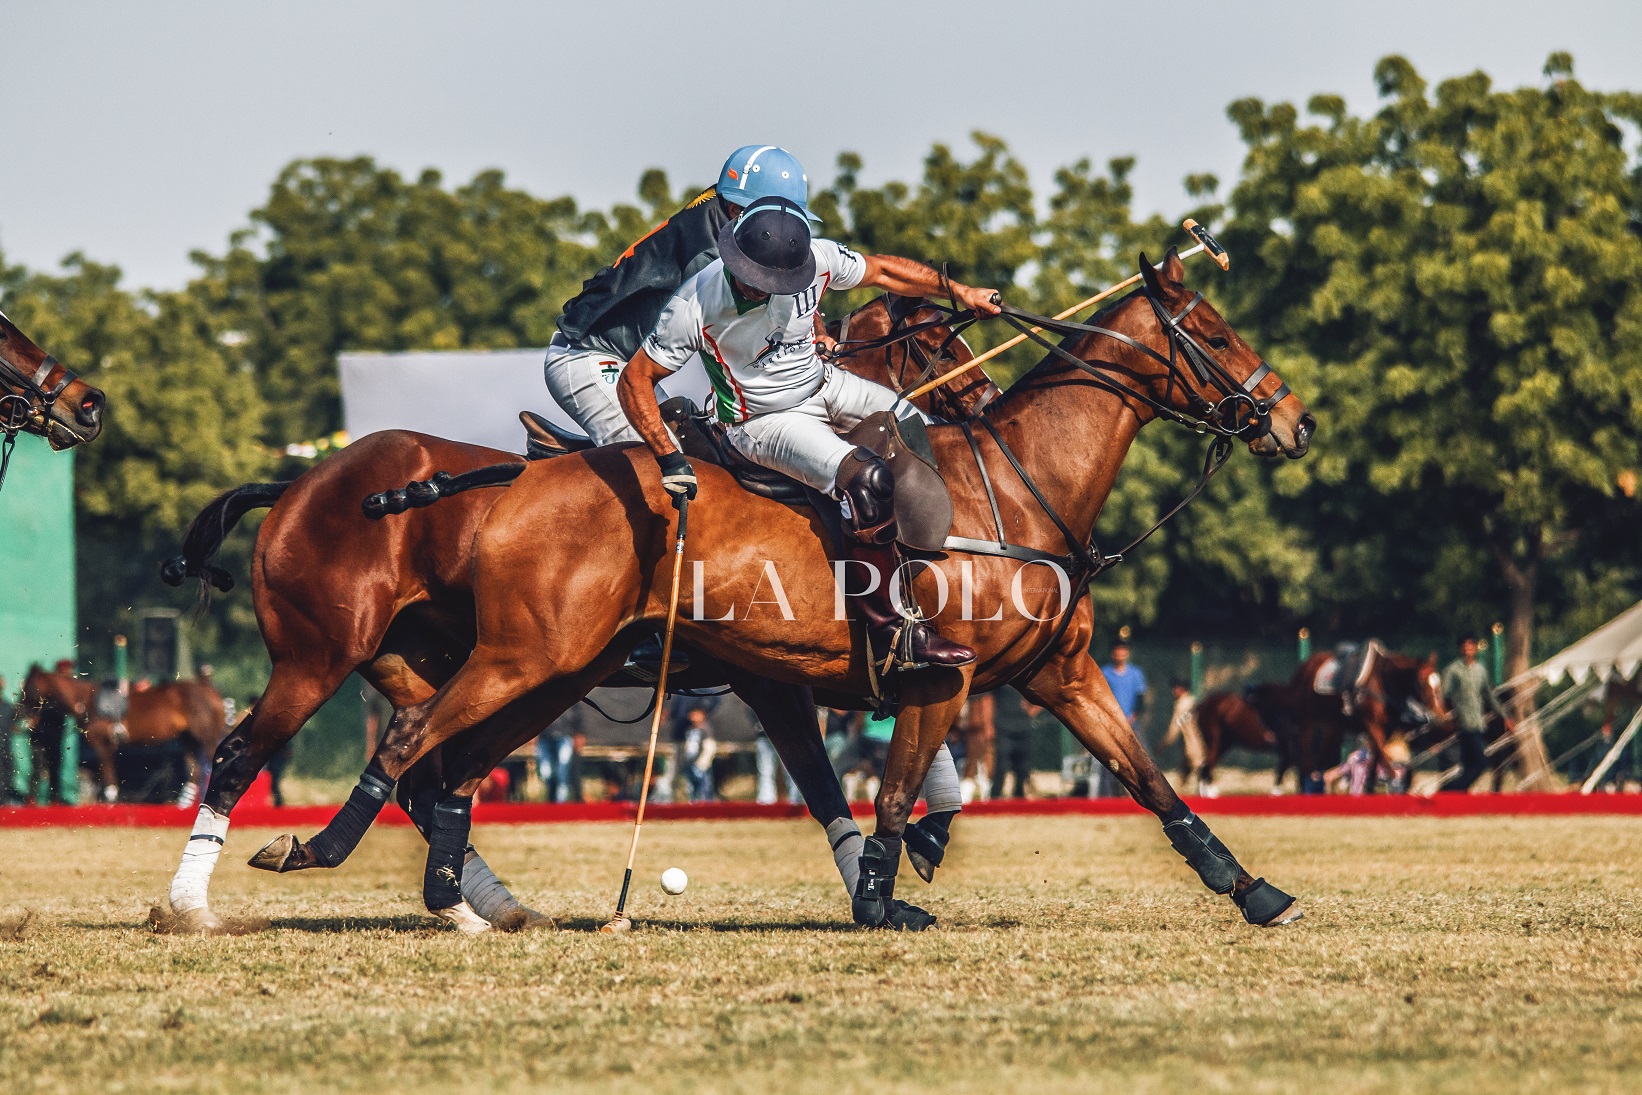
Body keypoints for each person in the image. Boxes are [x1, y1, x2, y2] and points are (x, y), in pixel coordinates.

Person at [619, 195, 1001, 667]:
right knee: (868, 480)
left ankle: (954, 582)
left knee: (939, 441)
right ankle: (894, 635)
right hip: (761, 422)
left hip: (828, 384)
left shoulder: (816, 258)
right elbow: (635, 378)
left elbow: (882, 271)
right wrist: (667, 457)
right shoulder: (695, 302)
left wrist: (962, 292)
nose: (763, 290)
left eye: (775, 283)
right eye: (755, 281)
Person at [545, 145, 821, 447]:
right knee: (665, 464)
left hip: (628, 361)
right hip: (590, 356)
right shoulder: (712, 258)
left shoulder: (724, 214)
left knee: (698, 454)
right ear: (734, 210)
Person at [1439, 633, 1513, 792]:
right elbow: (1443, 696)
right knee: (1480, 762)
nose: (1468, 649)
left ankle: (1457, 792)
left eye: (1471, 646)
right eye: (1465, 646)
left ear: (1475, 648)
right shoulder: (1453, 670)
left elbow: (1489, 696)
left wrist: (1504, 716)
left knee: (1468, 763)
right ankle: (1452, 790)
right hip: (1462, 722)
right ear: (1460, 648)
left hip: (1478, 721)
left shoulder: (1480, 670)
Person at [1095, 642, 1149, 797]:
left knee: (1142, 758)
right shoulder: (1105, 672)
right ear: (1113, 654)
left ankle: (1145, 793)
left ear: (1127, 653)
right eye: (1117, 651)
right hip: (1111, 724)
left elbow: (1140, 697)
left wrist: (1133, 716)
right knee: (1108, 760)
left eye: (1123, 651)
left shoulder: (1135, 673)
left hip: (1132, 723)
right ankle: (1107, 795)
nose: (1120, 654)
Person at [1158, 679, 1207, 793]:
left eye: (1176, 688)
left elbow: (1175, 727)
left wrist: (1165, 742)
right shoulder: (1192, 701)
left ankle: (1205, 789)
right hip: (1195, 740)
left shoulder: (1183, 704)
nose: (1174, 691)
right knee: (1189, 767)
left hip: (1193, 740)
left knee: (1197, 764)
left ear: (1183, 689)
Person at [991, 695, 1035, 799]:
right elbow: (989, 700)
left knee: (1023, 768)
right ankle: (994, 798)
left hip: (1023, 729)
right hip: (1003, 728)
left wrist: (1032, 710)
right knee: (1001, 767)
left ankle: (1019, 797)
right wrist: (989, 725)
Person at [678, 703, 718, 802]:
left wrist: (703, 762)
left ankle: (705, 806)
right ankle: (693, 804)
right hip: (689, 762)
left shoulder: (705, 729)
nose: (693, 716)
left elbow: (709, 747)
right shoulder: (689, 729)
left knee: (704, 786)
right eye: (691, 714)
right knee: (691, 786)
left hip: (700, 764)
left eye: (696, 713)